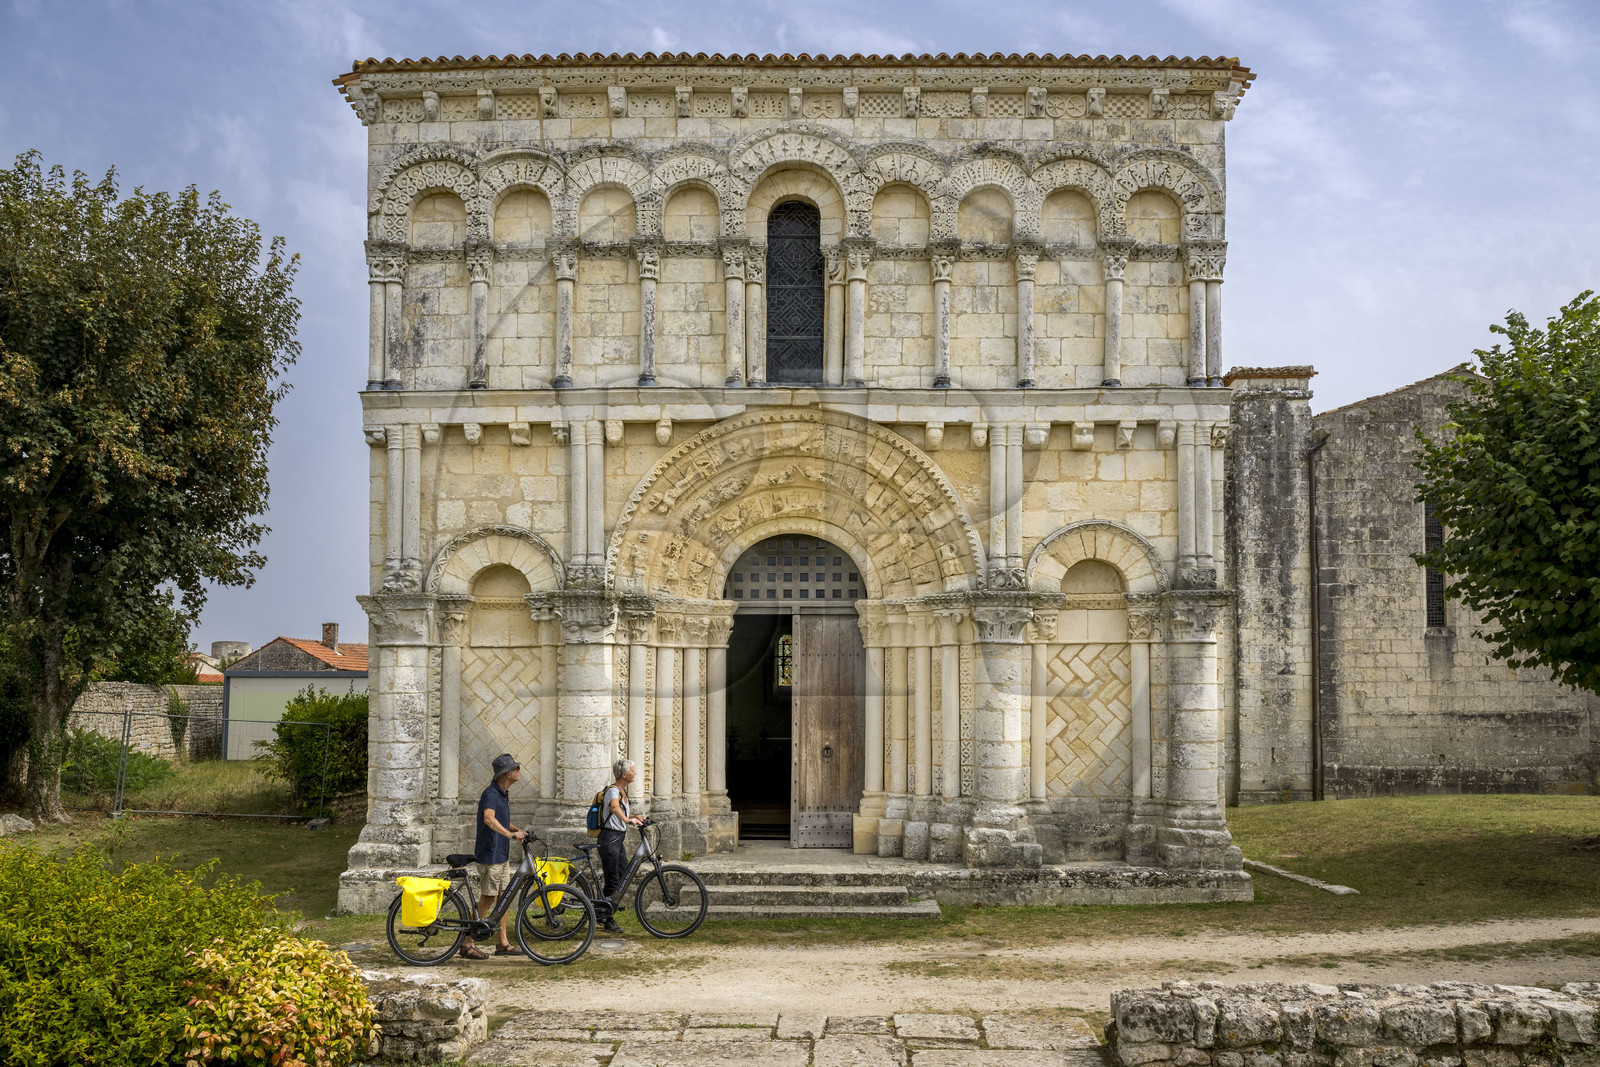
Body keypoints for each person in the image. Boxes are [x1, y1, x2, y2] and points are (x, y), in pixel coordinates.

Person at [463, 752, 527, 959]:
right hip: (490, 855)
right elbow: (489, 819)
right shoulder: (490, 793)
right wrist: (509, 834)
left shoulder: (502, 793)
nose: (519, 771)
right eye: (516, 768)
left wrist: (516, 829)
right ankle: (467, 943)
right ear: (508, 774)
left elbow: (498, 819)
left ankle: (502, 943)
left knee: (503, 898)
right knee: (489, 897)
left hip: (500, 854)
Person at [598, 758, 645, 934]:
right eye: (633, 770)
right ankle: (606, 918)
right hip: (609, 838)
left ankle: (603, 911)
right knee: (613, 879)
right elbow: (614, 808)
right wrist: (627, 820)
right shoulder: (613, 791)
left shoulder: (622, 791)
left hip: (617, 838)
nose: (635, 773)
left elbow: (622, 810)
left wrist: (636, 816)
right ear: (624, 774)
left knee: (623, 874)